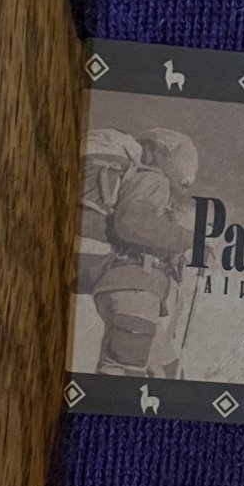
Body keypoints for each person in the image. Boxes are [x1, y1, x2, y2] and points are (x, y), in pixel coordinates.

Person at [90, 128, 199, 378]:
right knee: (124, 372)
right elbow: (132, 222)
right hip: (136, 289)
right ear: (159, 153)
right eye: (181, 160)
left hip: (139, 290)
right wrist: (188, 239)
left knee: (169, 373)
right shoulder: (153, 179)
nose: (185, 172)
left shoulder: (153, 185)